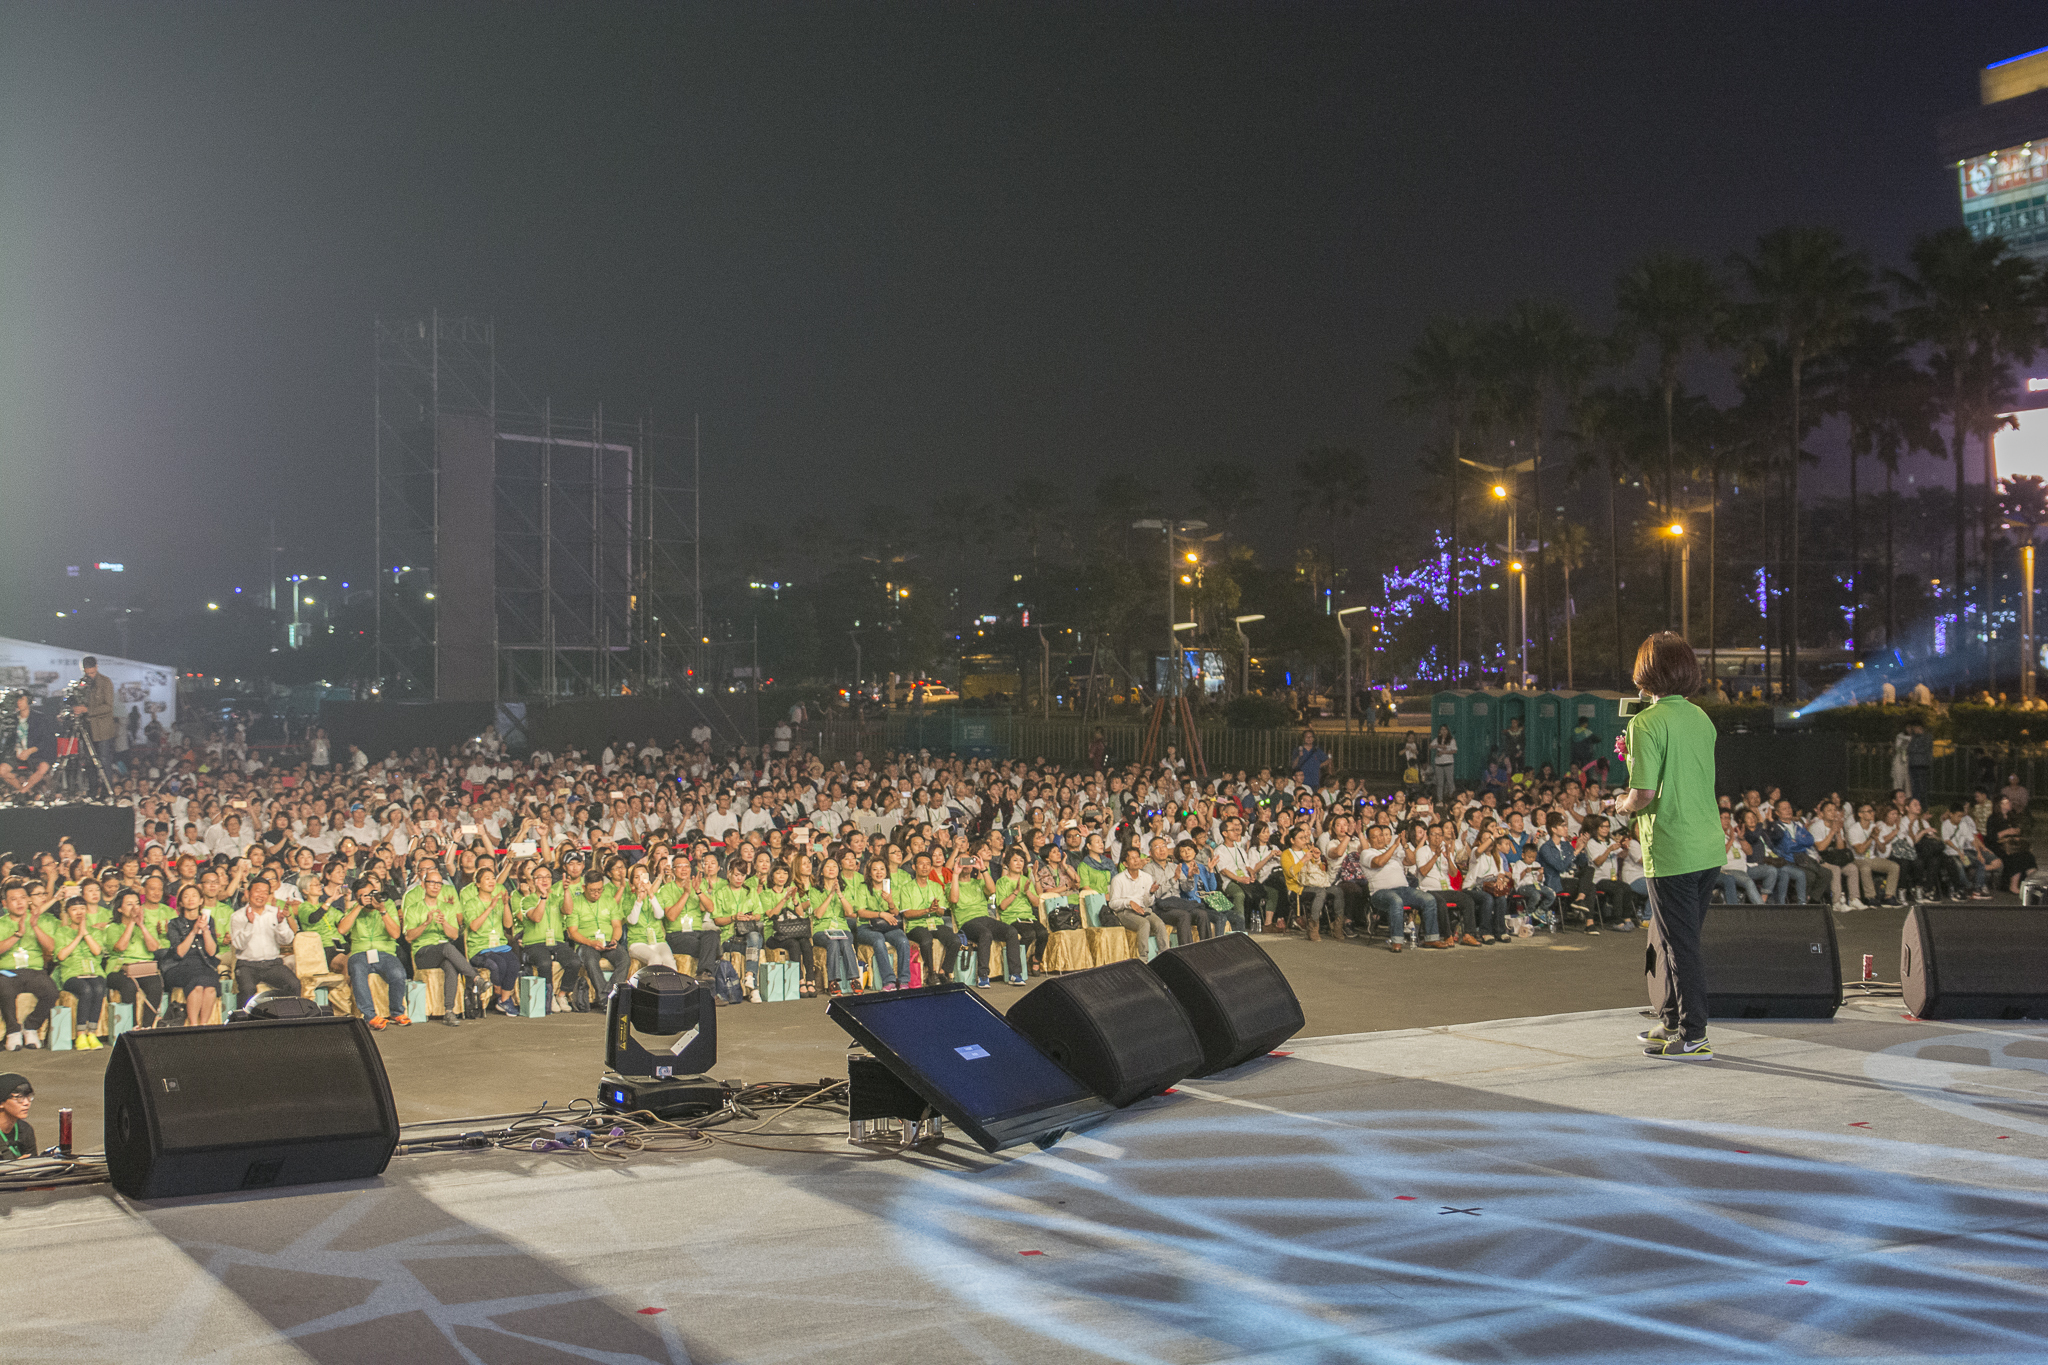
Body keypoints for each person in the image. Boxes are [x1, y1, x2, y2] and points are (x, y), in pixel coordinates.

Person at [1615, 632, 1722, 1059]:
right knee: (1672, 938)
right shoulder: (1701, 718)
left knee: (1680, 946)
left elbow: (1642, 794)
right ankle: (1672, 1021)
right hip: (1708, 845)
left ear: (1647, 673)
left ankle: (1695, 1036)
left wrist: (1621, 805)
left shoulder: (1645, 722)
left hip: (1672, 847)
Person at [71, 657, 118, 793]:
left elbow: (108, 707)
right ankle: (92, 790)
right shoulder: (82, 683)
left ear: (96, 667)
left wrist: (87, 710)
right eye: (87, 673)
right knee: (89, 761)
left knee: (104, 760)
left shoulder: (105, 682)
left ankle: (106, 791)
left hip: (103, 729)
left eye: (92, 672)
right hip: (88, 728)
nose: (90, 675)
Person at [2, 690, 54, 800]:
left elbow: (46, 739)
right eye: (17, 700)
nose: (19, 702)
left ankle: (23, 791)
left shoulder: (39, 718)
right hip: (15, 755)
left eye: (22, 699)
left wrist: (30, 750)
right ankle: (25, 791)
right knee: (2, 770)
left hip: (36, 754)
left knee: (43, 768)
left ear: (29, 701)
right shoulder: (12, 719)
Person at [0, 1073, 35, 1160]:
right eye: (19, 1097)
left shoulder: (25, 1129)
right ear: (1, 1103)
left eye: (28, 1096)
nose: (26, 1103)